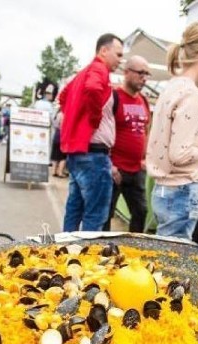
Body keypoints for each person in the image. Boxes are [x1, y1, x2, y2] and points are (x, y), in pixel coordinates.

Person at [145, 21, 198, 239]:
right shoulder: (191, 94)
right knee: (170, 262)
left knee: (163, 257)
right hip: (179, 189)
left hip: (163, 188)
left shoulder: (172, 87)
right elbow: (180, 154)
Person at [58, 33, 124, 232]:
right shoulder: (98, 69)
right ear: (104, 51)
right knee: (95, 215)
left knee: (74, 209)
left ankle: (66, 254)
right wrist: (93, 118)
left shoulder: (84, 72)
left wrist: (77, 118)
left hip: (80, 152)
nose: (120, 61)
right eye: (119, 55)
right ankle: (87, 259)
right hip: (93, 154)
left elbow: (63, 96)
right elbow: (93, 88)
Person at [103, 55, 151, 232]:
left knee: (141, 211)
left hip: (136, 169)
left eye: (147, 74)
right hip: (115, 170)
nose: (144, 78)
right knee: (105, 215)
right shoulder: (114, 96)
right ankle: (101, 252)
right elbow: (101, 131)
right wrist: (109, 164)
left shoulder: (144, 100)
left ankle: (133, 251)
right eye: (140, 73)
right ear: (126, 72)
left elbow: (146, 130)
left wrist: (144, 158)